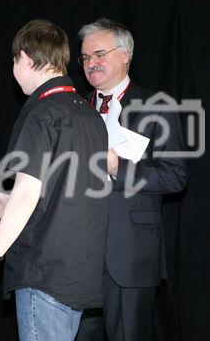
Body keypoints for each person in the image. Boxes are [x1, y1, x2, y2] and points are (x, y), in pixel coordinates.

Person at [0, 19, 109, 341]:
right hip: (79, 269)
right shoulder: (89, 115)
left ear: (27, 59)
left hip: (44, 269)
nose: (14, 71)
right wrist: (10, 203)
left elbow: (29, 192)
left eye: (15, 62)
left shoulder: (42, 113)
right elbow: (66, 190)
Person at [75, 18, 187, 341]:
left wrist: (117, 167)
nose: (90, 64)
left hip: (130, 255)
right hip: (79, 257)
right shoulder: (75, 110)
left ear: (125, 54)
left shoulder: (157, 106)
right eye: (84, 58)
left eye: (99, 54)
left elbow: (175, 175)